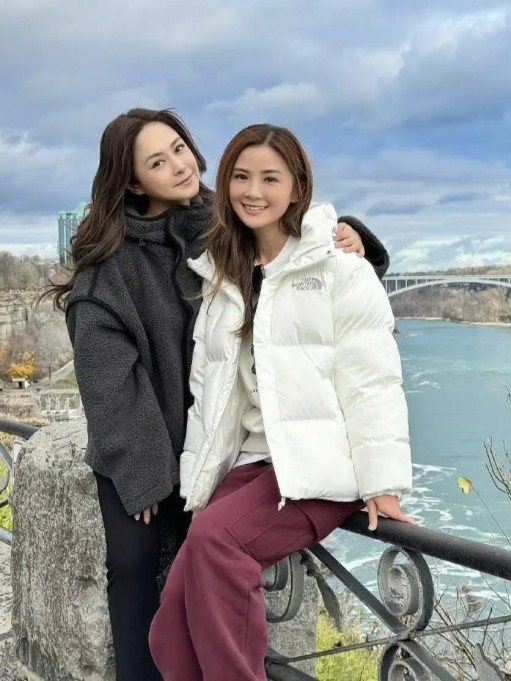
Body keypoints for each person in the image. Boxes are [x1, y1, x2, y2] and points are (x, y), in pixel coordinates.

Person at [44, 108, 390, 681]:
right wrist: (143, 470)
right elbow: (108, 383)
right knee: (134, 563)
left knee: (205, 556)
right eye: (158, 162)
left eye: (180, 148)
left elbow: (297, 246)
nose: (180, 165)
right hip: (143, 440)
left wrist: (350, 235)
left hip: (220, 438)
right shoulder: (111, 270)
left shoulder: (219, 220)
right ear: (133, 182)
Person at [148, 123, 413, 681]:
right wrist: (200, 482)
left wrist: (383, 482)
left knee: (219, 544)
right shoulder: (224, 277)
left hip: (317, 467)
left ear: (298, 187)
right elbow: (209, 393)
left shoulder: (341, 270)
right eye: (241, 177)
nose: (253, 191)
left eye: (271, 178)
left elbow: (372, 382)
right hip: (252, 465)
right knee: (170, 622)